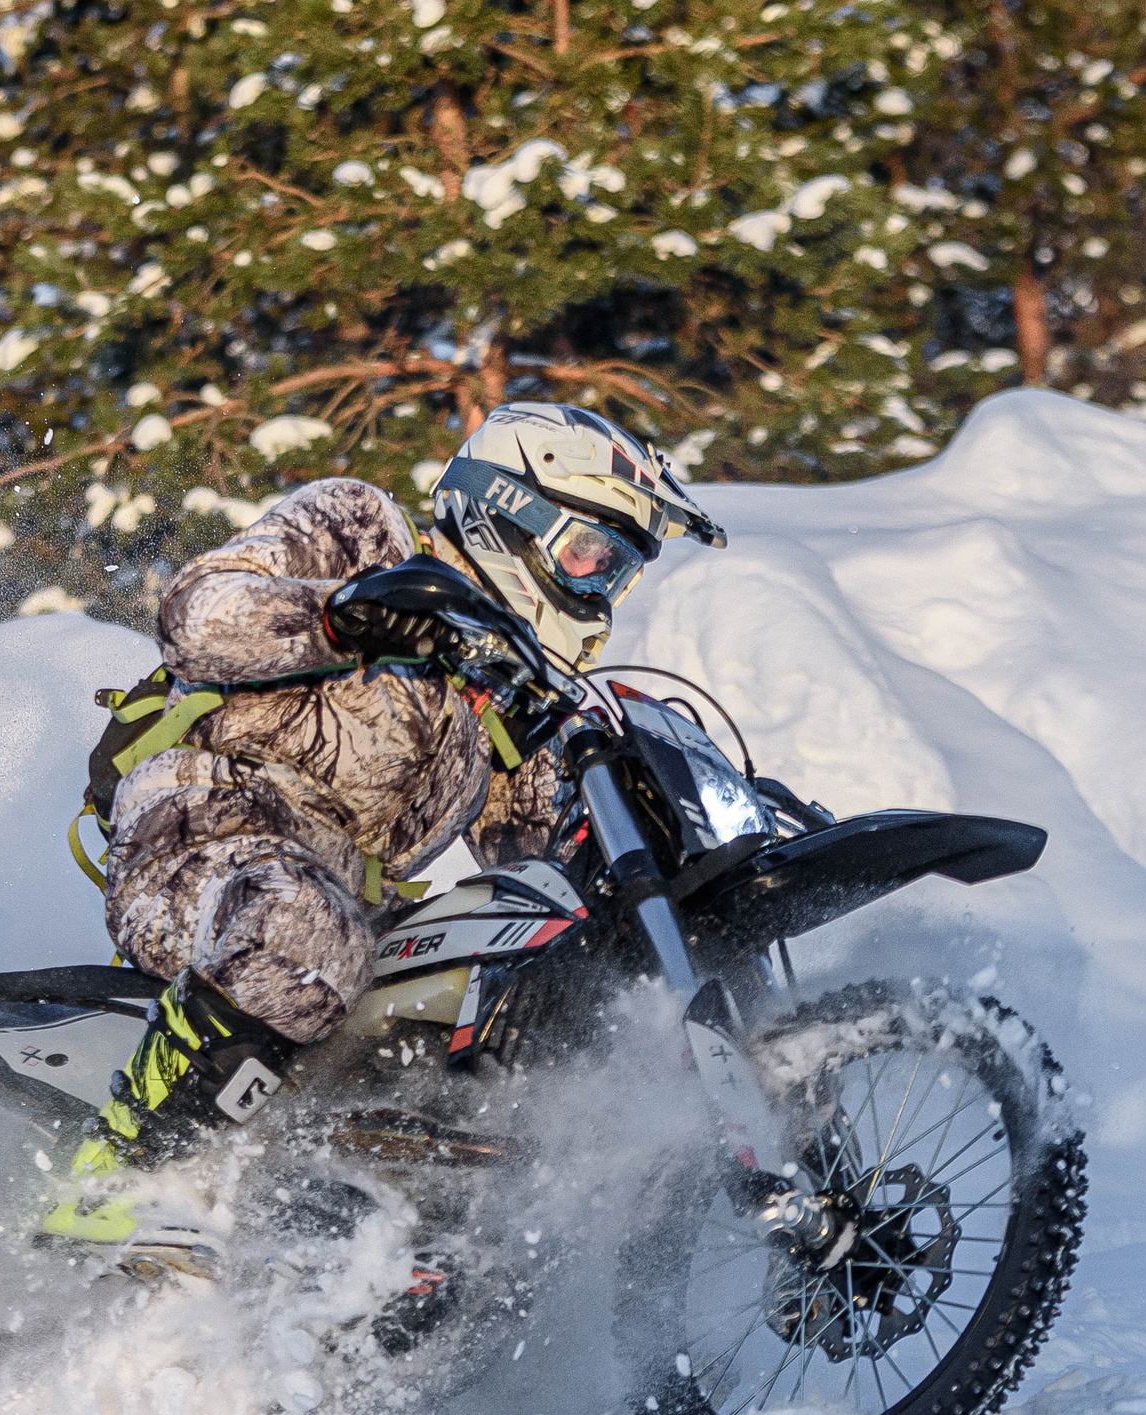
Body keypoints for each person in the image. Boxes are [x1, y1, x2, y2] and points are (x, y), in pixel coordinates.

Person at [40, 402, 725, 1244]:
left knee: (509, 974)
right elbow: (198, 616)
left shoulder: (505, 693)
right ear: (510, 510)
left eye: (615, 576)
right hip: (204, 830)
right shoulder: (365, 530)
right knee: (307, 927)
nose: (598, 592)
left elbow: (537, 861)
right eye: (590, 556)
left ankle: (370, 1256)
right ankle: (112, 1184)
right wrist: (346, 611)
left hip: (350, 917)